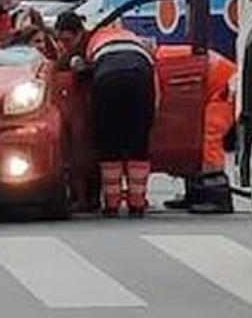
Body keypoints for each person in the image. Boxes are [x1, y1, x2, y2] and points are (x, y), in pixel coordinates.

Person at [84, 19, 158, 218]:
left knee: (109, 143)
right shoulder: (133, 38)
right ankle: (137, 204)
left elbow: (81, 70)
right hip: (140, 76)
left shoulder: (92, 40)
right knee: (138, 143)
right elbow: (156, 81)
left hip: (107, 79)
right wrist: (151, 114)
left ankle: (111, 205)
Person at [158, 44, 238, 214]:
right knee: (193, 136)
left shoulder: (155, 62)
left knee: (209, 138)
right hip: (217, 80)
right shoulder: (158, 57)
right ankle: (197, 192)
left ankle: (216, 196)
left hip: (223, 89)